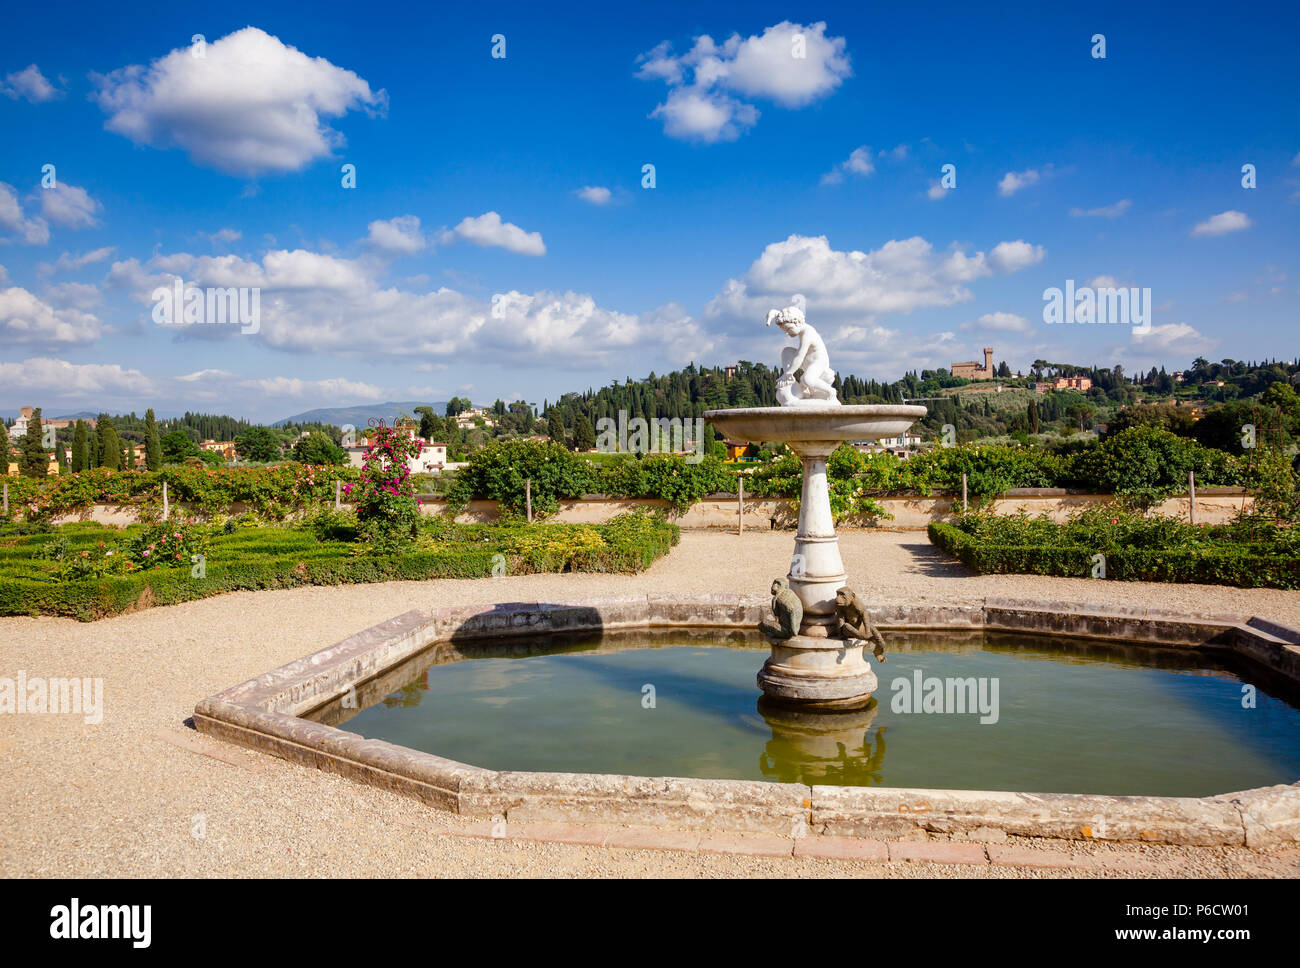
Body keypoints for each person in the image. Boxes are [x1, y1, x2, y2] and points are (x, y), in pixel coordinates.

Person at [766, 306, 839, 405]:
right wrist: (772, 316)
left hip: (818, 362)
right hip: (808, 360)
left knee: (807, 379)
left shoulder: (808, 334)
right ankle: (790, 382)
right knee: (786, 351)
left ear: (797, 322)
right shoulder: (797, 324)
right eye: (785, 330)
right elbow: (777, 313)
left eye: (788, 329)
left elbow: (799, 356)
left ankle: (831, 391)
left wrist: (789, 372)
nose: (787, 333)